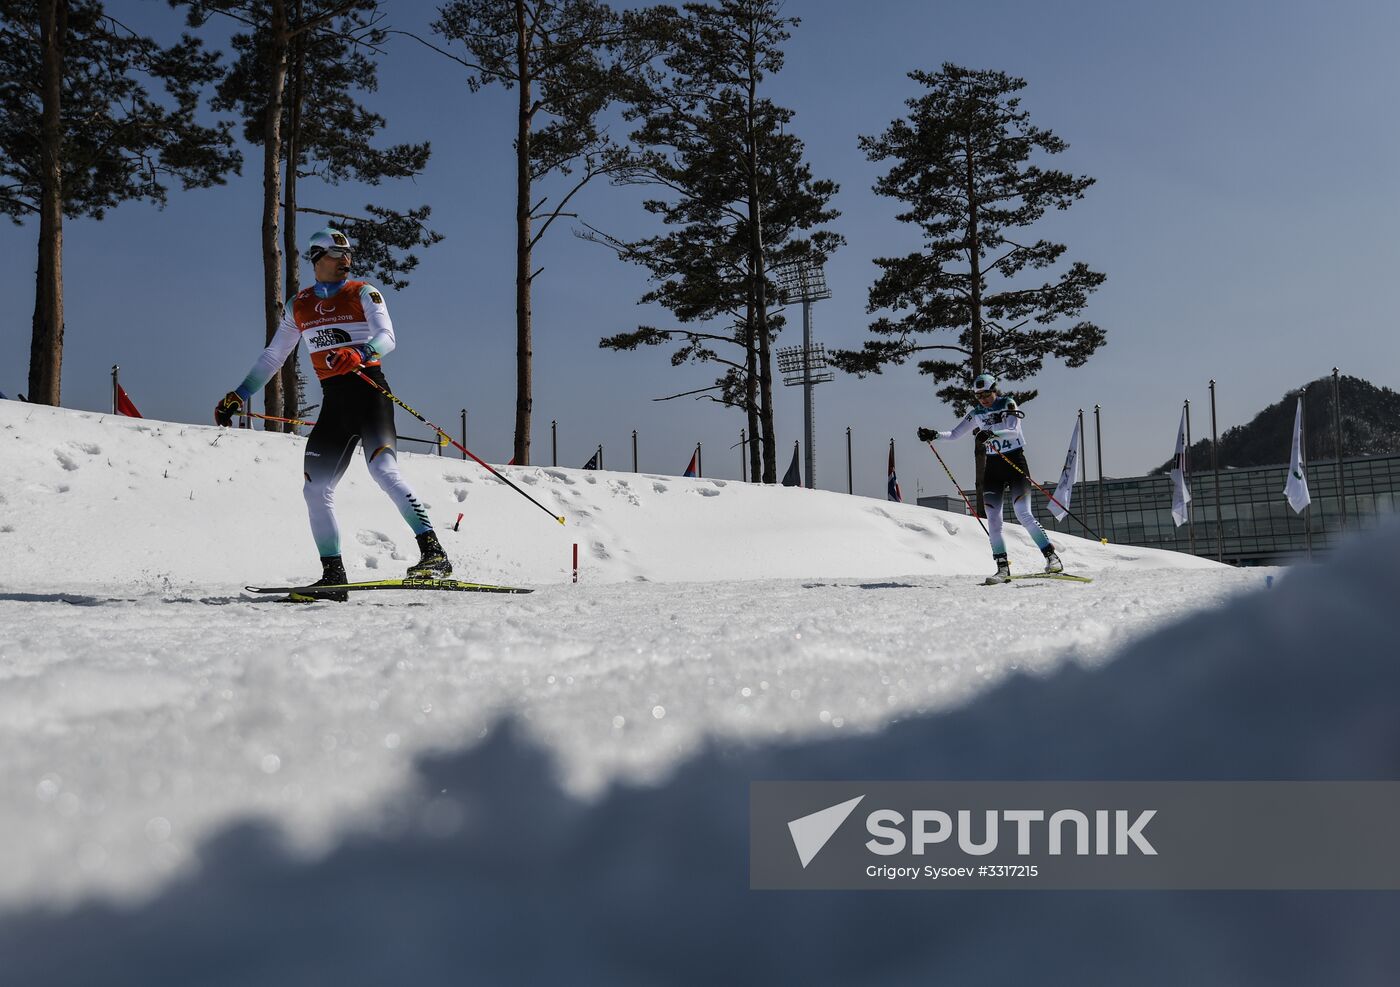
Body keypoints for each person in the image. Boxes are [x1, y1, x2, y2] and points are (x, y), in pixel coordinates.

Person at [214, 228, 451, 601]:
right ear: (317, 258)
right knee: (315, 488)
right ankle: (333, 577)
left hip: (369, 394)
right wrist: (240, 393)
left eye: (348, 254)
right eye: (338, 254)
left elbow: (388, 336)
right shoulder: (299, 305)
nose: (347, 260)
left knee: (383, 471)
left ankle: (435, 556)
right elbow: (274, 355)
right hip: (335, 404)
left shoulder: (362, 291)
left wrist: (361, 352)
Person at [918, 372, 1062, 583]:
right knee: (993, 520)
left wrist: (992, 434)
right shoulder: (976, 412)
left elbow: (1013, 430)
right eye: (979, 396)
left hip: (1014, 462)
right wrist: (935, 435)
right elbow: (956, 434)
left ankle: (1052, 557)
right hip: (993, 466)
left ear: (994, 390)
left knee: (1023, 513)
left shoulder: (1007, 402)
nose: (983, 399)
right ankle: (1002, 568)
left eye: (986, 394)